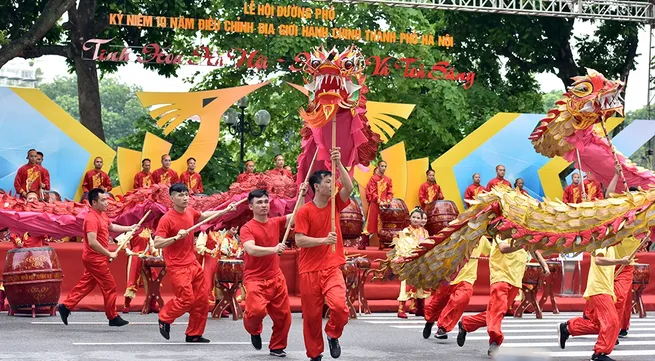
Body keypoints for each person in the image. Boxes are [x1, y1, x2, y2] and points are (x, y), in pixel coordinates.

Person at [154, 183, 238, 342]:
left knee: (201, 300)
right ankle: (164, 318)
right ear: (172, 198)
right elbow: (157, 243)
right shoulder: (167, 219)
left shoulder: (190, 212)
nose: (185, 198)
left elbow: (206, 215)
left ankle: (194, 334)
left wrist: (226, 210)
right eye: (180, 195)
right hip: (177, 266)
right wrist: (174, 238)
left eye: (186, 194)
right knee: (186, 299)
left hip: (193, 263)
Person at [295, 147, 353, 361]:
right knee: (311, 318)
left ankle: (333, 333)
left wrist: (338, 163)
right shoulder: (305, 211)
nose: (332, 184)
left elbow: (349, 186)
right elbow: (300, 240)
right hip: (309, 270)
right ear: (317, 187)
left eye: (332, 180)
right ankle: (314, 354)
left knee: (339, 307)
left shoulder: (334, 205)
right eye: (328, 181)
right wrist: (323, 240)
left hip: (331, 267)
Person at [240, 185, 308, 357]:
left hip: (275, 277)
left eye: (265, 202)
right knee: (256, 312)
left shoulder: (275, 222)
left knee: (284, 316)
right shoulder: (247, 228)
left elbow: (297, 216)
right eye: (259, 202)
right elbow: (251, 249)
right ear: (251, 206)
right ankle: (254, 330)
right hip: (255, 278)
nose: (264, 205)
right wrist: (273, 249)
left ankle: (277, 346)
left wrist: (303, 195)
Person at [57, 188, 137, 327]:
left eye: (106, 199)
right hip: (95, 258)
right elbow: (92, 241)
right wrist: (109, 253)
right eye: (103, 200)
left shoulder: (102, 215)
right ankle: (112, 317)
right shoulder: (91, 218)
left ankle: (66, 306)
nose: (107, 202)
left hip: (97, 257)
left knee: (87, 283)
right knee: (110, 286)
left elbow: (111, 226)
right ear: (94, 202)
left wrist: (129, 228)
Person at [457, 236, 548, 356]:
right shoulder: (501, 231)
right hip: (500, 276)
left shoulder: (523, 233)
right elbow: (503, 248)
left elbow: (533, 249)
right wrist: (522, 243)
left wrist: (543, 264)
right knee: (498, 309)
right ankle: (495, 340)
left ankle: (466, 323)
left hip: (515, 279)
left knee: (497, 311)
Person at [558, 246, 631, 361]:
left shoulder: (611, 246)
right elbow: (598, 260)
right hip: (599, 289)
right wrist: (620, 261)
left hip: (605, 289)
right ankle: (599, 354)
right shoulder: (603, 241)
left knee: (600, 324)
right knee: (612, 322)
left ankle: (568, 328)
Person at [423, 237, 491, 339]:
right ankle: (430, 321)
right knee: (437, 303)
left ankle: (443, 328)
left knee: (460, 300)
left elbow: (493, 252)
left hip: (467, 278)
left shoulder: (482, 239)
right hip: (449, 276)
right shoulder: (455, 234)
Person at [394, 208, 430, 318]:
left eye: (418, 218)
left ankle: (419, 308)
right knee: (406, 285)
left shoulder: (424, 232)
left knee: (420, 285)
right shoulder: (406, 231)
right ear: (410, 218)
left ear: (422, 220)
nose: (415, 219)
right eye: (414, 217)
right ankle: (401, 309)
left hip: (420, 261)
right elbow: (403, 245)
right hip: (409, 260)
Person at [363, 161, 393, 248]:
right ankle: (363, 243)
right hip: (375, 204)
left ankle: (382, 243)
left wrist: (387, 201)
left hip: (385, 205)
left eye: (385, 166)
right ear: (378, 167)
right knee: (370, 223)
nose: (384, 168)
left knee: (383, 224)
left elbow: (390, 192)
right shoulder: (373, 179)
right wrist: (379, 201)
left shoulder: (388, 179)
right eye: (382, 166)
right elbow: (372, 192)